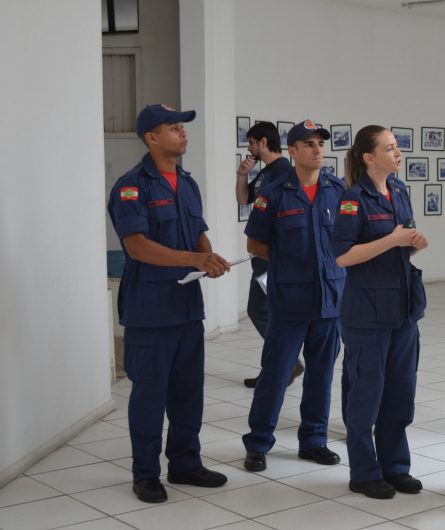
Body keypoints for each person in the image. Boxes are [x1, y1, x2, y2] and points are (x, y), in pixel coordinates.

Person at [107, 104, 230, 503]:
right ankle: (145, 473)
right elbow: (137, 246)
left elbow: (199, 233)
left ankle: (185, 463)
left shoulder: (188, 183)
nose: (183, 133)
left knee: (187, 392)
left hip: (186, 308)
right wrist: (195, 259)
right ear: (152, 137)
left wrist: (207, 257)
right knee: (149, 396)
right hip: (150, 309)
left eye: (183, 127)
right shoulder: (132, 186)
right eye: (174, 127)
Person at [241, 120, 345, 472]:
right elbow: (254, 242)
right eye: (309, 143)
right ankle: (258, 443)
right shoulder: (275, 193)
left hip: (330, 298)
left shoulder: (338, 190)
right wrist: (288, 262)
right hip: (289, 298)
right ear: (293, 151)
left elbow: (351, 239)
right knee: (276, 372)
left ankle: (313, 440)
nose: (317, 149)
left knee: (321, 373)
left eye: (320, 143)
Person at [332, 125, 428, 500]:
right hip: (368, 314)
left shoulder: (400, 191)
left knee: (400, 394)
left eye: (397, 147)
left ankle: (395, 467)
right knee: (366, 396)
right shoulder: (353, 199)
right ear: (369, 157)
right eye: (389, 148)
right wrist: (391, 239)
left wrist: (414, 243)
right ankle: (364, 471)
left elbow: (402, 248)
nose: (397, 153)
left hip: (403, 309)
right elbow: (343, 255)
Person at [235, 121, 304, 389]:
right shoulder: (266, 173)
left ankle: (285, 366)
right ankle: (283, 366)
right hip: (261, 255)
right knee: (265, 312)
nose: (250, 148)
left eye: (251, 143)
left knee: (262, 311)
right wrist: (242, 175)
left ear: (263, 142)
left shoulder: (285, 171)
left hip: (275, 258)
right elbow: (244, 200)